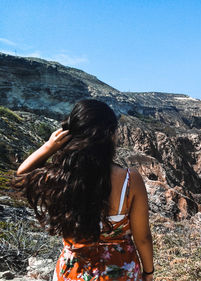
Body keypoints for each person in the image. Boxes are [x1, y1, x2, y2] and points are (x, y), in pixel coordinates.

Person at [14, 99, 154, 281]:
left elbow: (21, 176)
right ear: (110, 134)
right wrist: (148, 272)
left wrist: (49, 147)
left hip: (72, 273)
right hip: (121, 272)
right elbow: (142, 237)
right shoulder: (130, 180)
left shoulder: (60, 179)